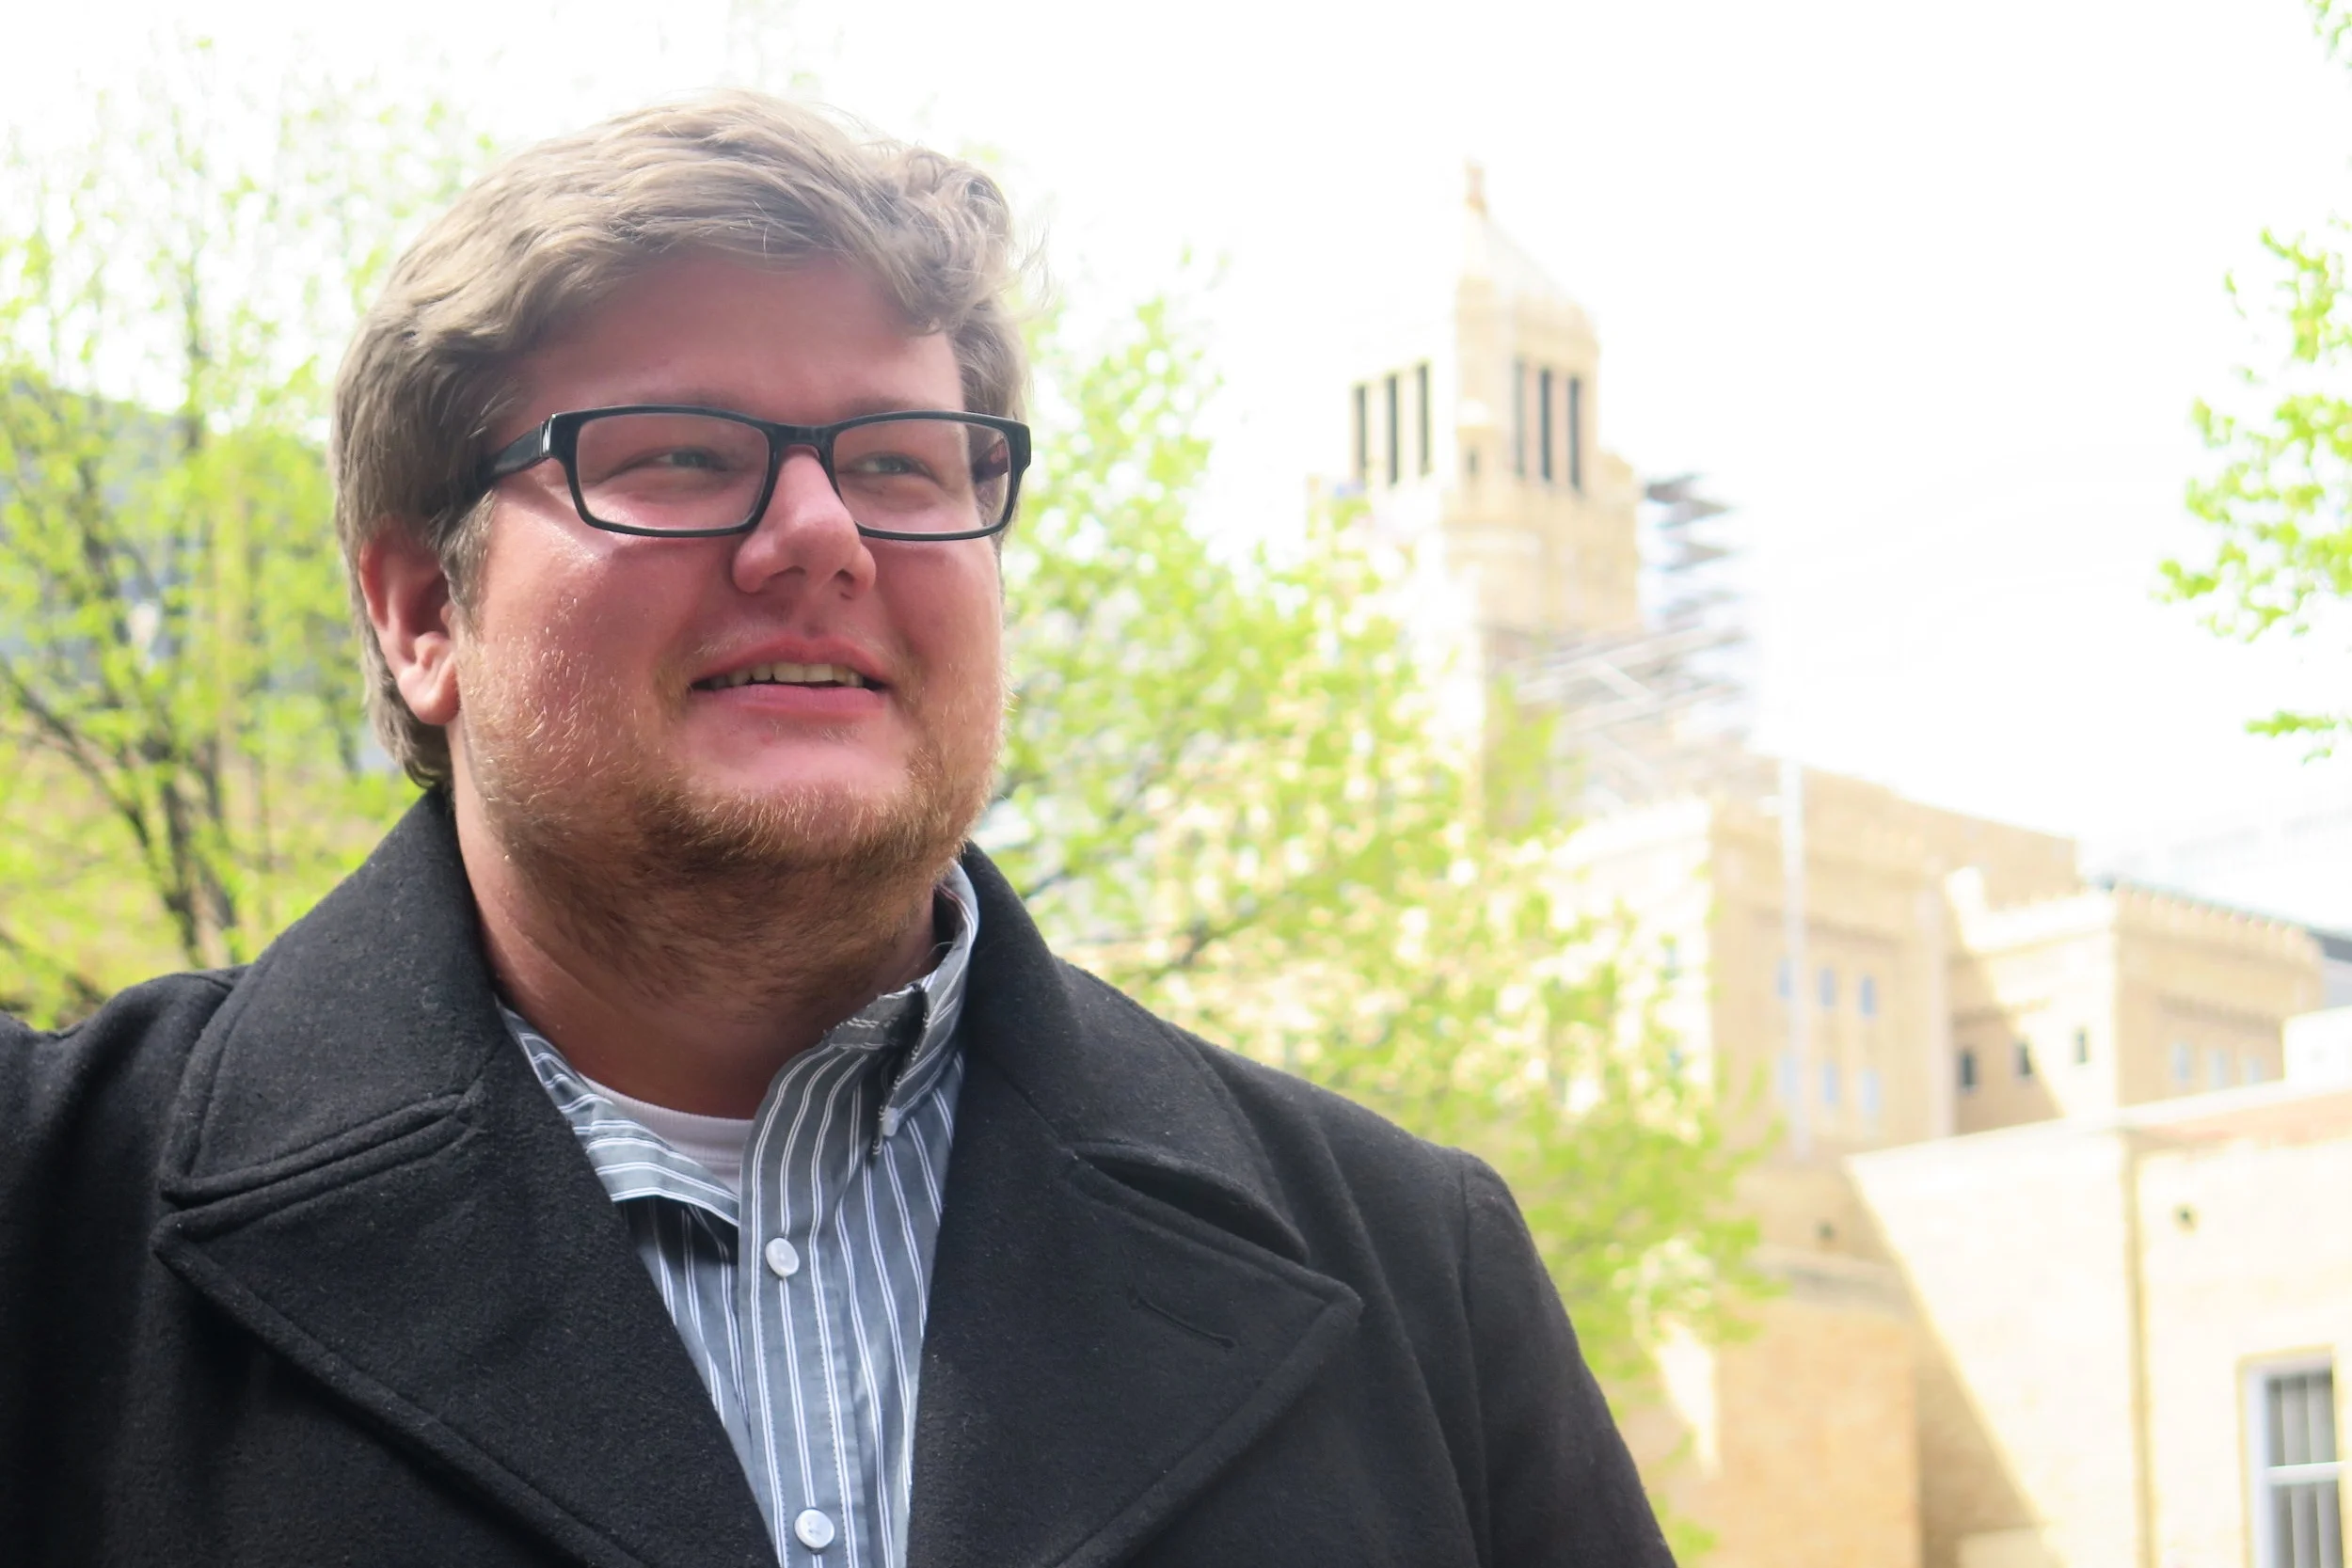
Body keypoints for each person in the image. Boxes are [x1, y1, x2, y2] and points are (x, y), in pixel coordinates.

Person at [0, 93, 1672, 1567]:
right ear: (421, 608)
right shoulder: (45, 1221)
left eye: (901, 459)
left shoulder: (1415, 1275)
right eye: (676, 456)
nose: (818, 532)